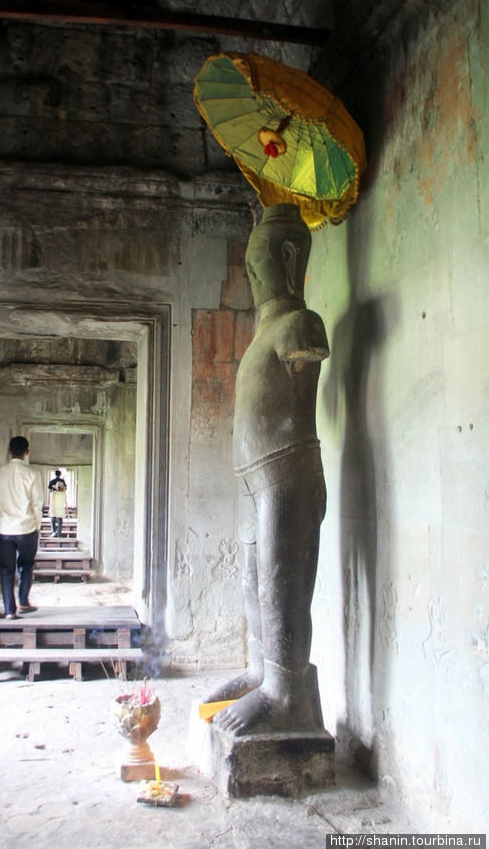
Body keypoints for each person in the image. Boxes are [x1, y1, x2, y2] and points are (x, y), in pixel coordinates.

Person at [206, 203, 329, 736]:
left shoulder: (300, 322)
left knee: (283, 581)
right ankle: (262, 668)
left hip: (288, 470)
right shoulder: (266, 331)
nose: (252, 279)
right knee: (252, 579)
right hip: (254, 475)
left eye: (256, 268)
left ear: (286, 256)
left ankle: (286, 690)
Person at [0, 435, 43, 619]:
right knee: (26, 566)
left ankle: (9, 611)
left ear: (9, 451)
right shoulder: (32, 474)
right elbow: (37, 503)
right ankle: (24, 602)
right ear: (27, 452)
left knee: (6, 569)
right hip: (26, 528)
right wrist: (37, 525)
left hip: (3, 529)